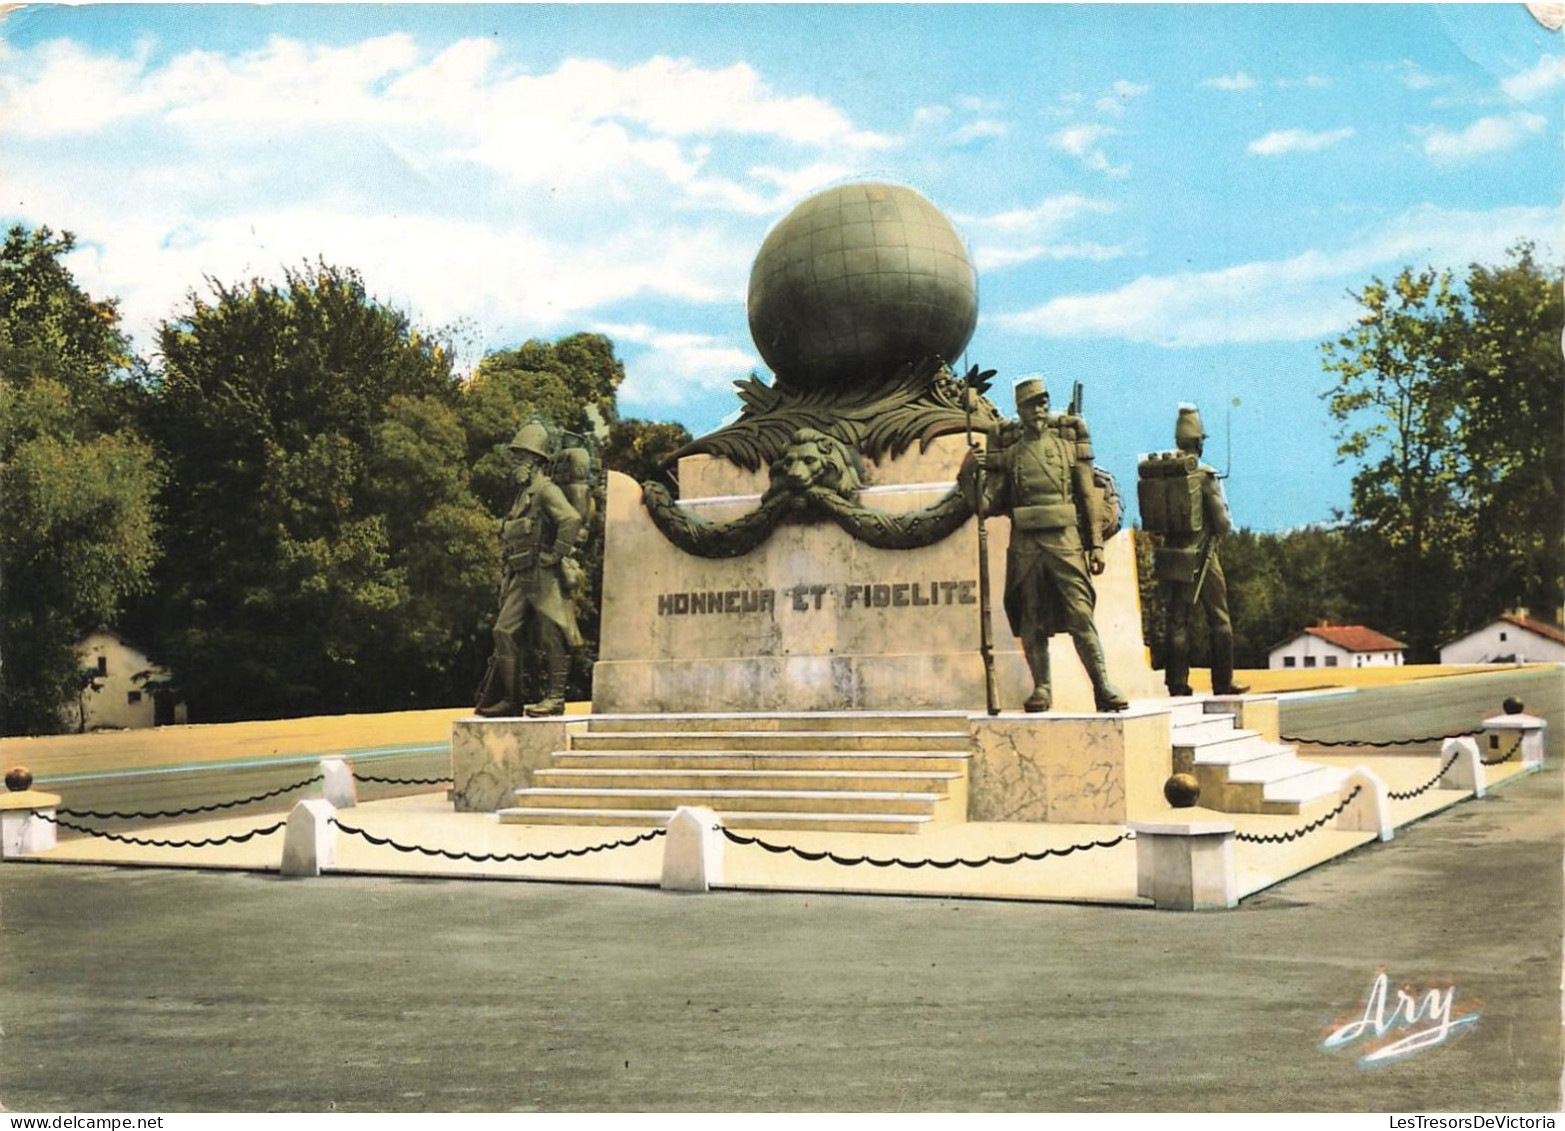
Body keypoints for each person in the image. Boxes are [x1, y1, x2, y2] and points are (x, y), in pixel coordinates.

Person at [971, 377, 1128, 713]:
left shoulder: (1066, 449)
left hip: (1065, 541)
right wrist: (968, 473)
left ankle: (1102, 686)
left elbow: (1088, 497)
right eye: (1032, 405)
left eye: (1043, 403)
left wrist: (1096, 545)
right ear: (1021, 411)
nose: (1039, 410)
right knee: (1031, 619)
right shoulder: (1011, 456)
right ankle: (1042, 687)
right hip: (1026, 544)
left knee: (1080, 615)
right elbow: (988, 504)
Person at [475, 422, 585, 718]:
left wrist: (556, 554)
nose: (516, 462)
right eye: (516, 456)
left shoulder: (546, 491)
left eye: (521, 456)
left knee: (553, 632)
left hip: (542, 573)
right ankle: (512, 700)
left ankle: (555, 698)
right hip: (519, 575)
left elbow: (571, 520)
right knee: (503, 631)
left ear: (537, 460)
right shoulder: (522, 496)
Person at [1159, 405, 1248, 697]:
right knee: (1219, 619)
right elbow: (1222, 524)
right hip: (1202, 555)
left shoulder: (1164, 473)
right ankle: (1223, 683)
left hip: (1171, 554)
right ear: (1198, 441)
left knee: (1177, 620)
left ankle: (1176, 683)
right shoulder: (1205, 475)